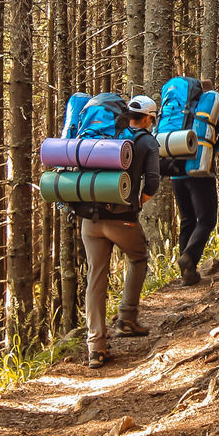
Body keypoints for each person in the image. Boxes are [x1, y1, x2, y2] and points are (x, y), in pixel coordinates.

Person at [81, 95, 161, 370]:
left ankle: (96, 347)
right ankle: (127, 318)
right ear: (149, 118)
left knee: (95, 278)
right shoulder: (147, 142)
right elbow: (152, 182)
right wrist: (137, 201)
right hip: (122, 219)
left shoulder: (105, 138)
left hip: (89, 220)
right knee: (138, 258)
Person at [173, 80, 219, 287]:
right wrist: (212, 149)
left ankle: (188, 275)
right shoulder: (210, 108)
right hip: (200, 171)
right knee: (207, 220)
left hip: (176, 173)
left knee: (187, 220)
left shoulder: (179, 110)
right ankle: (189, 256)